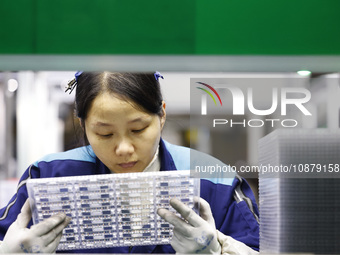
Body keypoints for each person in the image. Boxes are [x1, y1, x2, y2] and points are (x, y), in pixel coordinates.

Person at [0, 72, 259, 254]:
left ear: (162, 115)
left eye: (138, 129)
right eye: (105, 134)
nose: (123, 148)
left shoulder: (216, 181)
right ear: (83, 125)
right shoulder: (46, 177)